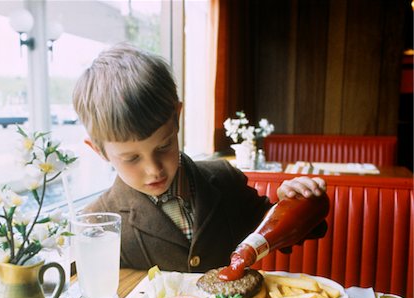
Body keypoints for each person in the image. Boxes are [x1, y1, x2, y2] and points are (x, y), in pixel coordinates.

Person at [72, 43, 327, 273]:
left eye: (164, 145)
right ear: (99, 151)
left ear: (177, 117)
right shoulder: (98, 223)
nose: (153, 170)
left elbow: (288, 230)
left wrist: (294, 202)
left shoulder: (225, 181)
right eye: (131, 158)